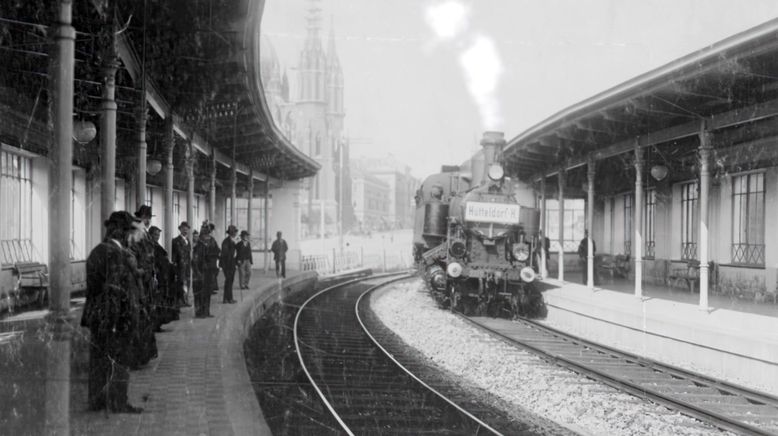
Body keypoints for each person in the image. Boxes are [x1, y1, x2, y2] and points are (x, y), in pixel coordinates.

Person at [81, 211, 143, 414]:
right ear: (122, 233)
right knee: (119, 360)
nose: (131, 237)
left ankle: (96, 400)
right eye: (129, 232)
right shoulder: (115, 254)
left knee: (98, 359)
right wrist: (116, 322)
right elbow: (114, 291)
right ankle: (118, 402)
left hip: (98, 317)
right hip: (115, 319)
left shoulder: (97, 251)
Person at [128, 205, 158, 367]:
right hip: (140, 281)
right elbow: (138, 258)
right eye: (145, 218)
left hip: (145, 279)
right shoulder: (137, 233)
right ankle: (138, 356)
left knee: (144, 317)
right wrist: (144, 273)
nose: (147, 221)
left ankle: (142, 354)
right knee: (140, 317)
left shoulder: (141, 232)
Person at [149, 226, 178, 328]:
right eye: (155, 235)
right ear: (150, 235)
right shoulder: (150, 246)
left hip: (163, 276)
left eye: (158, 235)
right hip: (157, 276)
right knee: (157, 300)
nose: (157, 237)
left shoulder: (157, 246)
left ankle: (159, 323)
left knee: (161, 299)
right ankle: (155, 324)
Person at [192, 222, 220, 317]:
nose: (207, 237)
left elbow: (217, 251)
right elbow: (195, 261)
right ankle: (199, 312)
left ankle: (206, 311)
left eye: (208, 234)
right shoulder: (198, 246)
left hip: (209, 270)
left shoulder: (211, 242)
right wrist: (197, 272)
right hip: (201, 272)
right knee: (200, 293)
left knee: (208, 292)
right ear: (202, 235)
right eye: (205, 234)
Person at [171, 221, 192, 307]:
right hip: (180, 266)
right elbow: (174, 255)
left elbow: (188, 254)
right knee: (181, 283)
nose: (185, 231)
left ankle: (185, 300)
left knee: (187, 282)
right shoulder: (175, 241)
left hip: (187, 266)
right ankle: (181, 301)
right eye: (183, 229)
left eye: (187, 229)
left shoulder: (188, 241)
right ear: (180, 229)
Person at [220, 225, 238, 304]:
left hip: (232, 264)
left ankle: (228, 298)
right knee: (228, 280)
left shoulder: (233, 241)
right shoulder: (226, 242)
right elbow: (225, 254)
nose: (234, 234)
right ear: (230, 233)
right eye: (233, 232)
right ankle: (227, 299)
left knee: (230, 280)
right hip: (227, 264)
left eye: (234, 232)